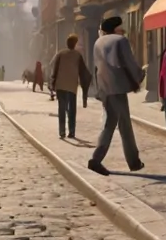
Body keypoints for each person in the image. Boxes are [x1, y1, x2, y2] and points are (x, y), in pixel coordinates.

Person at [88, 16, 144, 176]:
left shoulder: (98, 42)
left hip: (105, 88)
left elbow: (96, 68)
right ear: (115, 28)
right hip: (118, 88)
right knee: (114, 125)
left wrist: (98, 89)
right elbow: (128, 62)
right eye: (120, 27)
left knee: (122, 124)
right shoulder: (121, 41)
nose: (122, 30)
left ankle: (134, 161)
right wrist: (139, 76)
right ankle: (96, 159)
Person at [49, 34, 91, 139]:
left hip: (60, 85)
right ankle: (71, 132)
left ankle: (62, 132)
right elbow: (83, 72)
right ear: (74, 44)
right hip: (72, 87)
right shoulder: (77, 55)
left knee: (61, 109)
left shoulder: (60, 54)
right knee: (72, 110)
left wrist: (52, 83)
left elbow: (55, 69)